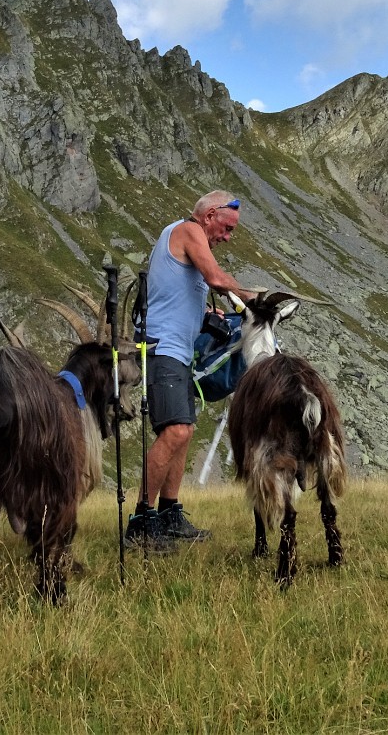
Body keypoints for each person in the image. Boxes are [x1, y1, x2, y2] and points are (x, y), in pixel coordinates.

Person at [125, 190, 258, 548]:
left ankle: (168, 513)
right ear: (210, 214)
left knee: (184, 432)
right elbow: (215, 278)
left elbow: (172, 299)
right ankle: (140, 520)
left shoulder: (188, 246)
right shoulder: (187, 230)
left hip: (178, 352)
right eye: (227, 228)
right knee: (177, 431)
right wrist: (252, 297)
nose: (227, 238)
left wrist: (205, 317)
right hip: (161, 350)